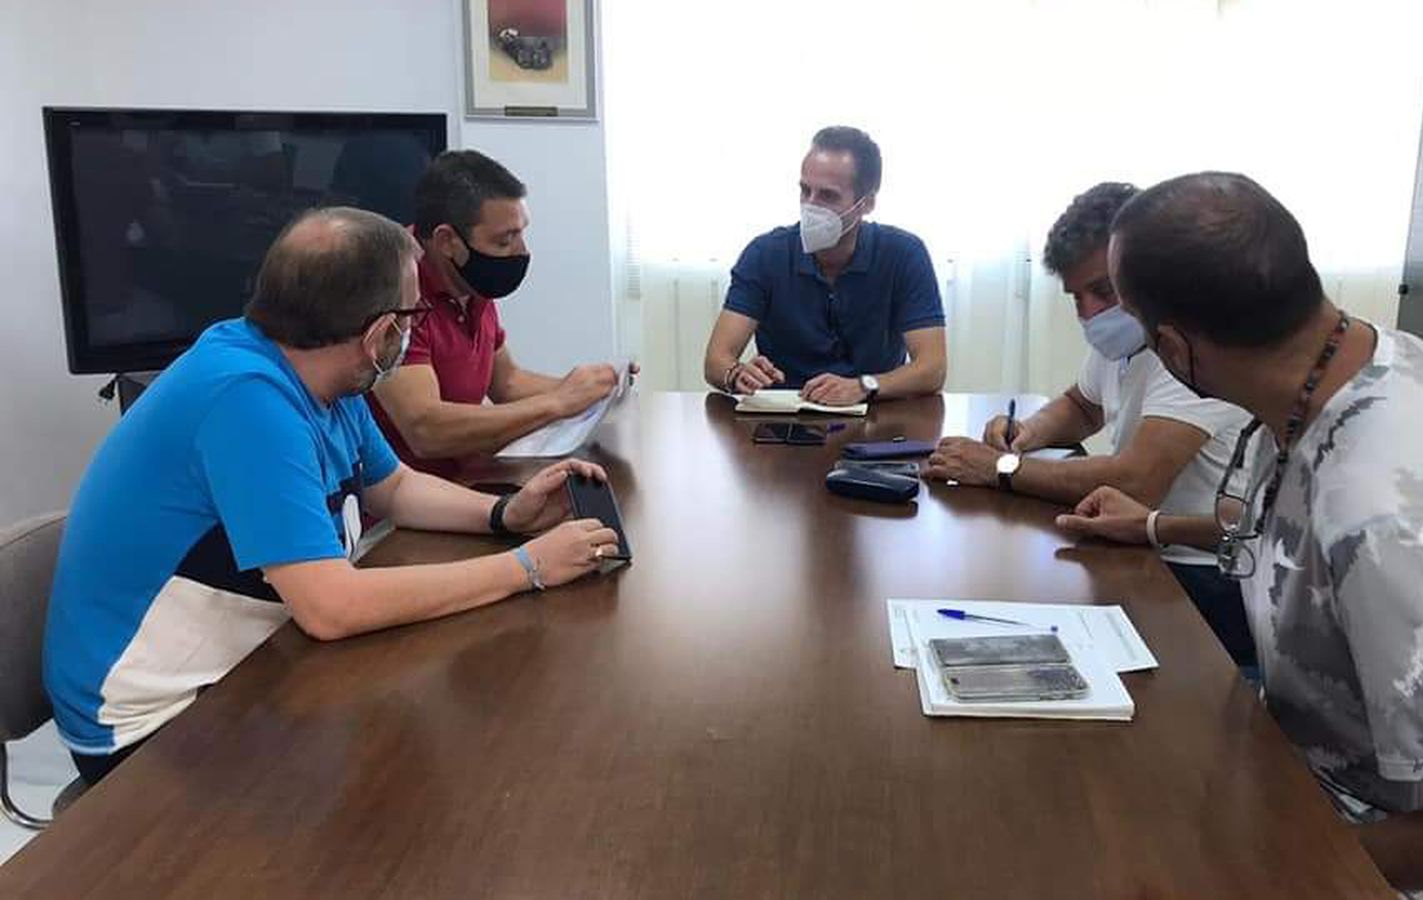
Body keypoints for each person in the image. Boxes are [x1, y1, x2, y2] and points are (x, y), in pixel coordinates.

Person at [1057, 172, 1423, 897]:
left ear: (1176, 349)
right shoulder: (1367, 362)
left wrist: (1245, 866)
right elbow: (1291, 533)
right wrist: (1154, 525)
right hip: (1310, 788)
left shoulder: (1385, 522)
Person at [44, 208, 620, 785]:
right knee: (436, 772)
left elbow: (393, 486)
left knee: (434, 743)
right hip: (150, 724)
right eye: (412, 315)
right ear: (378, 334)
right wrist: (528, 568)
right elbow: (331, 608)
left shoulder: (322, 368)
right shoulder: (246, 400)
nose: (416, 329)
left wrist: (503, 515)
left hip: (250, 663)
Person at [924, 183, 1255, 669]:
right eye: (1076, 297)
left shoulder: (1192, 346)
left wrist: (1003, 467)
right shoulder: (1124, 340)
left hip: (1203, 573)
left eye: (1103, 290)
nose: (1089, 314)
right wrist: (1028, 433)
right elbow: (1083, 405)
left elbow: (1135, 481)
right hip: (1140, 545)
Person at [369, 150, 625, 481]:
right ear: (447, 241)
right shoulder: (398, 293)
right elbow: (426, 428)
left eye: (521, 233)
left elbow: (506, 382)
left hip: (469, 480)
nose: (522, 251)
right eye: (505, 240)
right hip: (408, 507)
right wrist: (559, 402)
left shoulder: (469, 282)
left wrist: (593, 389)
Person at [702, 126, 947, 405]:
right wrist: (737, 374)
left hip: (876, 416)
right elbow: (715, 361)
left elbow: (933, 368)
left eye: (828, 196)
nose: (810, 206)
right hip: (785, 416)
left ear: (866, 203)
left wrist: (863, 387)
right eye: (805, 191)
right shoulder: (764, 254)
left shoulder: (904, 254)